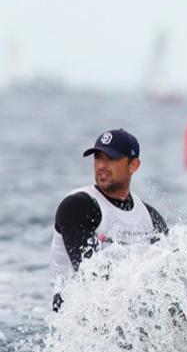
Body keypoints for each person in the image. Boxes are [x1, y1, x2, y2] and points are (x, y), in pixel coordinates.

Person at [49, 128, 169, 312]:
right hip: (83, 322)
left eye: (110, 158)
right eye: (97, 158)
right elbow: (91, 274)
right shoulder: (78, 206)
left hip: (132, 316)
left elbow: (168, 265)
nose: (101, 166)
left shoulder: (149, 216)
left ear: (133, 165)